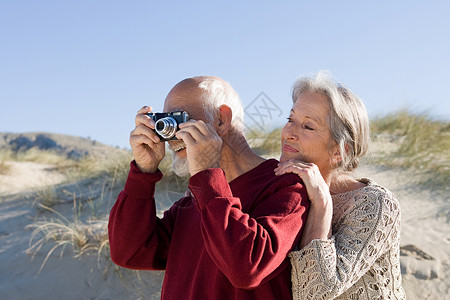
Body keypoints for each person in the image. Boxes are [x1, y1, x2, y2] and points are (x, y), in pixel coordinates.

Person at [108, 76, 310, 299]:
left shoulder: (285, 186)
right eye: (163, 122)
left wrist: (207, 178)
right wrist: (142, 172)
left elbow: (247, 268)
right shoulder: (193, 201)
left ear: (221, 120)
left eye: (178, 119)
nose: (170, 136)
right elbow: (128, 253)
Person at [274, 72, 406, 299]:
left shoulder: (376, 203)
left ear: (339, 151)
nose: (289, 133)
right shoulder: (286, 190)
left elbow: (315, 293)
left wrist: (323, 203)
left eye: (307, 126)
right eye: (290, 119)